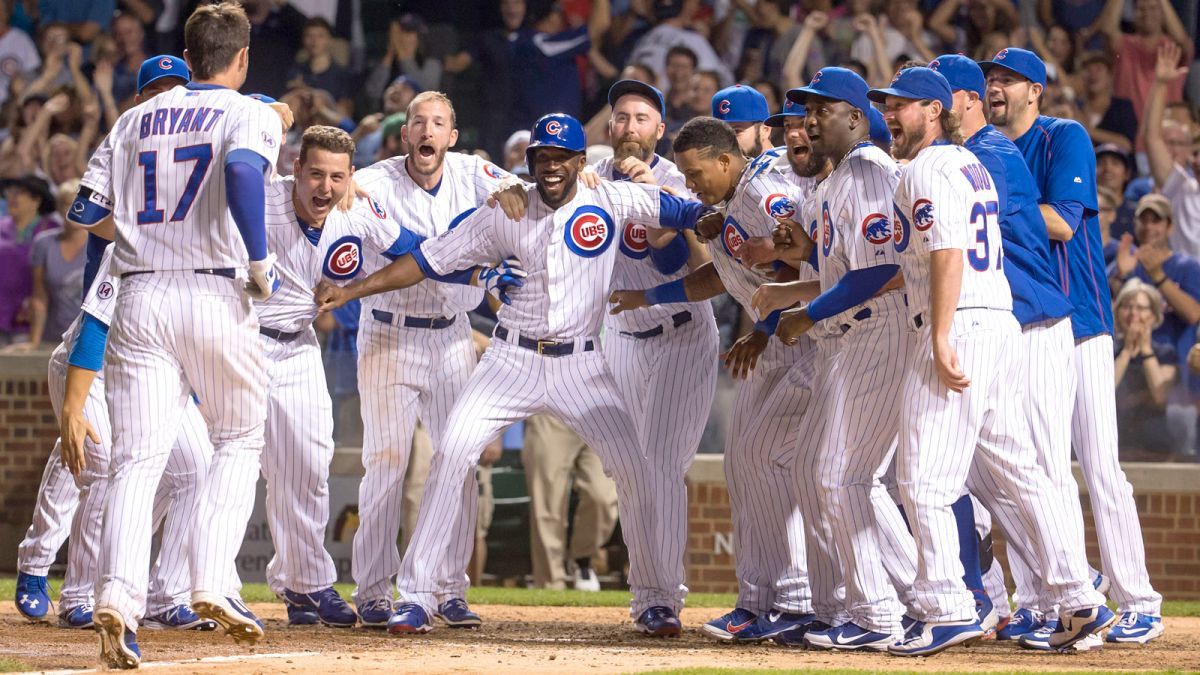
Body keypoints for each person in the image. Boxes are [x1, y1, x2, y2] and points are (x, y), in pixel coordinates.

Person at [318, 112, 709, 638]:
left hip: (582, 362)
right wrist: (353, 290)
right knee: (452, 451)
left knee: (634, 470)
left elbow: (687, 210)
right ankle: (417, 595)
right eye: (541, 158)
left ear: (579, 161)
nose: (550, 167)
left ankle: (656, 599)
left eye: (560, 158)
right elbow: (429, 259)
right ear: (530, 163)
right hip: (510, 359)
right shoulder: (506, 209)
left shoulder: (610, 198)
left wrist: (730, 222)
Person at [64, 3, 287, 666]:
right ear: (241, 58)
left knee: (137, 458)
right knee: (240, 437)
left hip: (141, 292)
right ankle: (212, 581)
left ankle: (117, 598)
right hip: (216, 286)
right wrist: (258, 257)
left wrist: (141, 239)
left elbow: (91, 209)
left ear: (188, 58)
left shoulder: (132, 118)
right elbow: (245, 173)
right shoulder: (245, 111)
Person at [879, 65, 1111, 656]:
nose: (890, 115)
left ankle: (947, 609)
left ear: (935, 110)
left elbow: (948, 251)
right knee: (1018, 470)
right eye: (887, 104)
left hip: (963, 322)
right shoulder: (971, 161)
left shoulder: (931, 167)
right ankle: (1076, 593)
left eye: (902, 105)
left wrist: (940, 336)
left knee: (925, 480)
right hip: (999, 321)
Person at [983, 45, 1163, 645]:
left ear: (1037, 89)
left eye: (1009, 80)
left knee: (1099, 467)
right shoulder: (984, 151)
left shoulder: (1063, 136)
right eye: (990, 79)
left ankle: (1138, 598)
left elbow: (1061, 220)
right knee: (1034, 466)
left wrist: (992, 211)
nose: (997, 87)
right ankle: (1048, 598)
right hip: (1021, 327)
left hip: (1080, 322)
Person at [612, 117, 817, 643]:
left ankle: (798, 600)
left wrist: (764, 330)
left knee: (808, 473)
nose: (691, 182)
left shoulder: (763, 191)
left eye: (696, 172)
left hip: (810, 339)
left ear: (725, 160)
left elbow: (800, 260)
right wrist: (649, 297)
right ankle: (764, 601)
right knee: (749, 464)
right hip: (780, 341)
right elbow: (720, 278)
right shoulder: (731, 201)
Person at [929, 53, 1095, 647]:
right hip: (1008, 323)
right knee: (1000, 471)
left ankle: (1075, 598)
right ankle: (1050, 597)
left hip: (1035, 324)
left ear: (963, 100)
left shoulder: (986, 157)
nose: (927, 108)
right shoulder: (978, 153)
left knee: (1040, 469)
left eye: (936, 96)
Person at [346, 91, 520, 630]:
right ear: (404, 136)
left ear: (452, 134)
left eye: (437, 123)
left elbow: (529, 191)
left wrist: (527, 191)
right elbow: (340, 196)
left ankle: (449, 588)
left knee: (458, 460)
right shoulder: (375, 181)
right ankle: (373, 589)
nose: (427, 130)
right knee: (387, 461)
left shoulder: (473, 172)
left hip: (452, 339)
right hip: (388, 336)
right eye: (417, 122)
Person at [762, 66, 922, 651]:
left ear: (856, 117)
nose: (808, 118)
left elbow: (882, 270)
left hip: (878, 331)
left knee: (843, 474)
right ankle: (907, 600)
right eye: (806, 109)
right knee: (817, 468)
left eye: (821, 108)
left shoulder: (872, 170)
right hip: (850, 337)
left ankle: (891, 608)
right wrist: (800, 263)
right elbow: (841, 265)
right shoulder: (836, 180)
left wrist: (809, 312)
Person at [591, 80, 719, 612]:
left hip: (681, 332)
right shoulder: (591, 179)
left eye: (642, 118)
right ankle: (647, 591)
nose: (629, 127)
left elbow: (697, 266)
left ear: (660, 131)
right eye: (621, 116)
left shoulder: (681, 180)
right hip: (620, 333)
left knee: (663, 465)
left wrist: (659, 203)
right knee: (628, 468)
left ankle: (663, 596)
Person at [521, 414, 618, 591]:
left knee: (602, 496)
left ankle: (583, 559)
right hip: (551, 410)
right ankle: (550, 584)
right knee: (547, 505)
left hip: (600, 415)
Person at [1110, 194, 1200, 370]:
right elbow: (1108, 311)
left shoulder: (1187, 267)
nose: (1149, 227)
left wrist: (1158, 276)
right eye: (1143, 220)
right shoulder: (1125, 262)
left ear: (1170, 226)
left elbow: (1194, 314)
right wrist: (1120, 275)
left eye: (1156, 220)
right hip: (1131, 367)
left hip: (1176, 369)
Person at [1144, 41, 1200, 260]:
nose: (1198, 160)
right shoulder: (1182, 187)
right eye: (1195, 154)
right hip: (1182, 284)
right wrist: (1160, 84)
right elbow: (1152, 138)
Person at [1113, 279, 1179, 459]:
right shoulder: (1108, 350)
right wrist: (1126, 352)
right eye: (1127, 307)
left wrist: (1146, 350)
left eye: (1141, 308)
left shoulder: (1165, 353)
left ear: (1154, 315)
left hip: (1154, 443)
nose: (1133, 314)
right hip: (1115, 440)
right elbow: (1104, 393)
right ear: (1117, 312)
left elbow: (1160, 396)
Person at [21, 187, 88, 350]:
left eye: (80, 204)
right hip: (53, 338)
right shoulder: (44, 243)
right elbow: (39, 296)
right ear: (58, 208)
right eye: (67, 204)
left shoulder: (103, 244)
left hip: (89, 338)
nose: (75, 209)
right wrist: (34, 342)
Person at [0, 175, 58, 345]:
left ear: (36, 200)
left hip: (31, 319)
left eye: (19, 193)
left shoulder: (52, 231)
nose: (12, 197)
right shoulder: (1, 226)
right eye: (10, 193)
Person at [711, 85, 772, 159]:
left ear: (765, 131)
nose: (726, 143)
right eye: (721, 134)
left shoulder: (786, 168)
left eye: (737, 131)